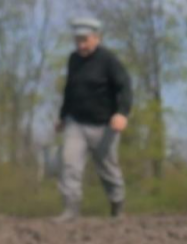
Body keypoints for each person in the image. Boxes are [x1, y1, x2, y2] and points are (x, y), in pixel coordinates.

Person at [55, 18, 133, 222]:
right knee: (69, 164)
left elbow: (125, 86)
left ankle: (117, 205)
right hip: (76, 123)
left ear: (97, 38)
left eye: (85, 40)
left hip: (104, 125)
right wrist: (62, 117)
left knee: (108, 168)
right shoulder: (73, 60)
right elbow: (70, 90)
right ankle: (71, 210)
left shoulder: (108, 60)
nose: (81, 45)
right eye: (77, 40)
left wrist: (122, 113)